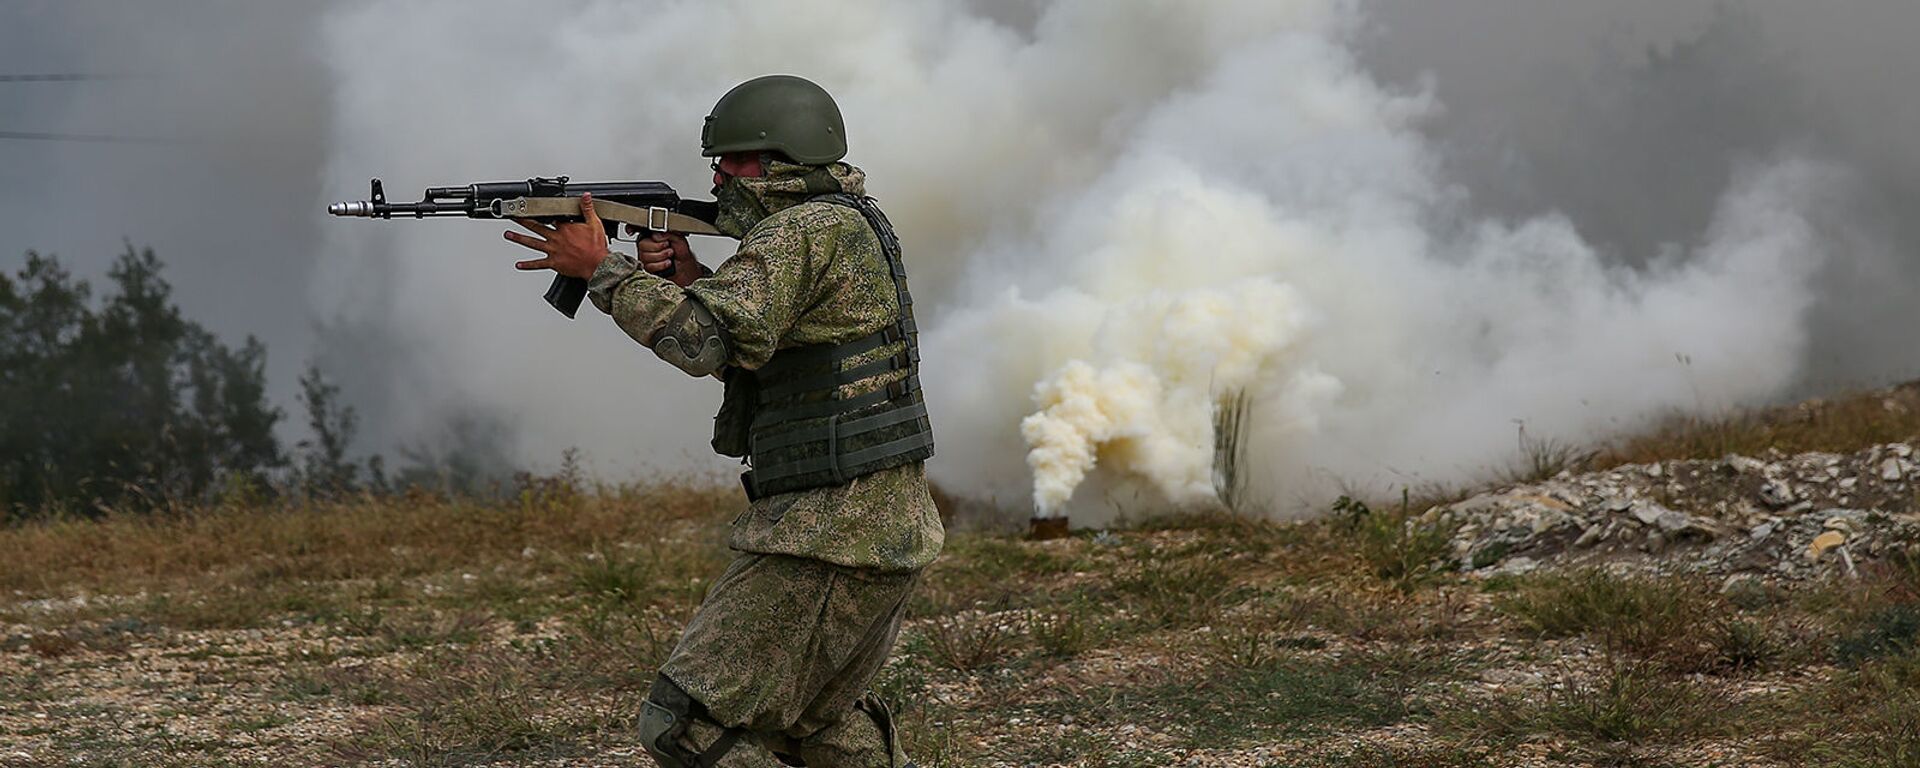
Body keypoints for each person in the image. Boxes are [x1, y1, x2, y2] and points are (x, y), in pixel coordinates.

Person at [502, 74, 939, 768]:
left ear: (782, 159)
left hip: (828, 535)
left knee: (685, 723)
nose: (718, 174)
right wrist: (685, 279)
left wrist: (603, 272)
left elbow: (704, 343)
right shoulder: (843, 222)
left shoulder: (799, 232)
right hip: (873, 526)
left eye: (734, 160)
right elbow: (780, 352)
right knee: (820, 729)